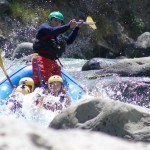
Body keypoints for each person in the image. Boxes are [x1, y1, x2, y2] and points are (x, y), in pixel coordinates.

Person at [32, 11, 83, 86]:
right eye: (55, 20)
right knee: (43, 84)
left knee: (59, 85)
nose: (57, 23)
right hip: (41, 60)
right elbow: (52, 31)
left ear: (61, 24)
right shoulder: (44, 27)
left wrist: (77, 28)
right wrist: (68, 26)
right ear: (50, 21)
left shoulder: (58, 36)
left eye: (59, 22)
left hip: (53, 63)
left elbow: (69, 40)